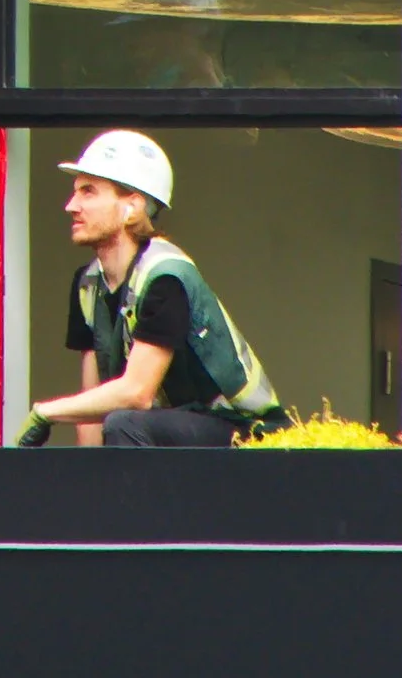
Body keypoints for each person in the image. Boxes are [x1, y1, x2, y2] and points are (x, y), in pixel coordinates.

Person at [19, 128, 281, 448]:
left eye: (88, 192)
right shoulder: (88, 285)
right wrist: (89, 474)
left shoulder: (165, 277)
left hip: (246, 434)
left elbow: (136, 393)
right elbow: (91, 408)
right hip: (173, 430)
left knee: (124, 423)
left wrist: (45, 413)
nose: (71, 206)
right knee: (121, 425)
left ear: (132, 207)